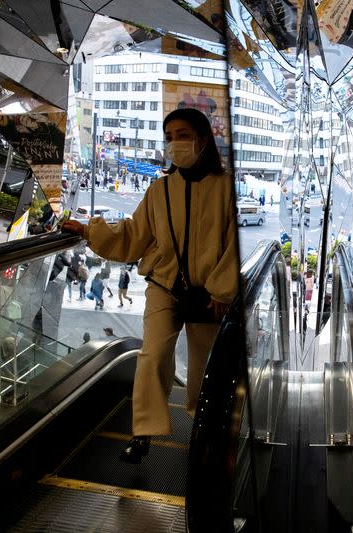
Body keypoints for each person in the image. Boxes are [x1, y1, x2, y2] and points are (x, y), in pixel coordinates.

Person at [62, 107, 238, 464]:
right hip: (163, 283)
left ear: (203, 140)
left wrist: (223, 289)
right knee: (153, 354)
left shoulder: (224, 187)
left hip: (209, 295)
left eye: (183, 135)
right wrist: (89, 230)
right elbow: (135, 233)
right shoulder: (160, 189)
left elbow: (233, 241)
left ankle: (202, 423)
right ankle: (143, 432)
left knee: (204, 364)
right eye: (170, 137)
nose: (175, 144)